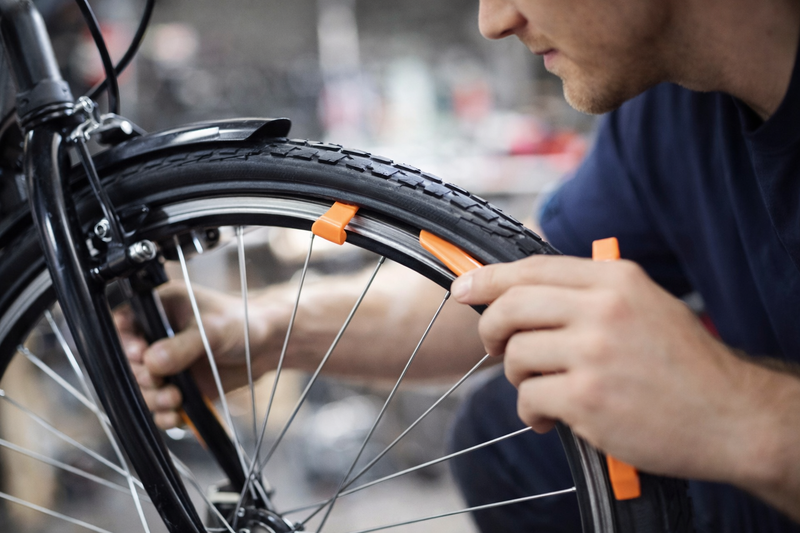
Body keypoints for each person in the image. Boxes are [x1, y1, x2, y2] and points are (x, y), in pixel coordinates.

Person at [120, 0, 800, 530]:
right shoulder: (671, 116)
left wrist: (737, 412)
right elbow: (491, 286)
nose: (494, 20)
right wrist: (268, 327)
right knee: (510, 438)